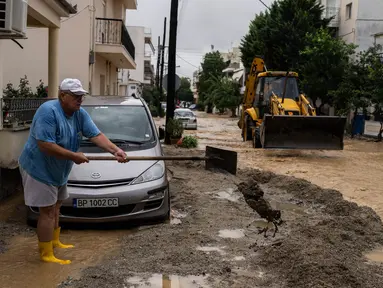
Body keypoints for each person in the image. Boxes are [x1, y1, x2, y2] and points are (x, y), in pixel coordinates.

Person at [18, 78, 127, 265]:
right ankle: (46, 254)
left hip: (59, 169)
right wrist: (73, 156)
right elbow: (44, 145)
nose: (80, 100)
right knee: (47, 211)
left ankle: (54, 241)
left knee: (57, 206)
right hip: (39, 168)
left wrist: (115, 150)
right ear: (62, 95)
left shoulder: (79, 113)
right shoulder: (48, 111)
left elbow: (96, 135)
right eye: (76, 96)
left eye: (81, 96)